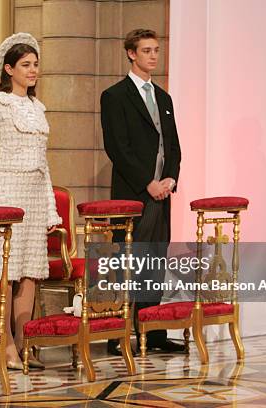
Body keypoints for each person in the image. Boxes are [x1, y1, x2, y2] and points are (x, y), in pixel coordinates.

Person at [0, 33, 61, 370]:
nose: (33, 70)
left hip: (35, 194)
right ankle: (5, 343)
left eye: (36, 64)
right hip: (8, 193)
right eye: (25, 65)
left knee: (30, 270)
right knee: (5, 272)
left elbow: (44, 161)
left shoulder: (37, 107)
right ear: (8, 69)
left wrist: (51, 207)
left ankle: (24, 340)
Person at [101, 29, 183, 356]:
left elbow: (173, 145)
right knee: (128, 261)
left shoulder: (164, 97)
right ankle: (119, 333)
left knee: (155, 259)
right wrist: (146, 182)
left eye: (156, 50)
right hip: (134, 193)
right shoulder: (115, 96)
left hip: (162, 194)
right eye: (146, 50)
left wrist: (171, 178)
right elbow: (117, 148)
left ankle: (152, 331)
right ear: (131, 54)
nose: (153, 56)